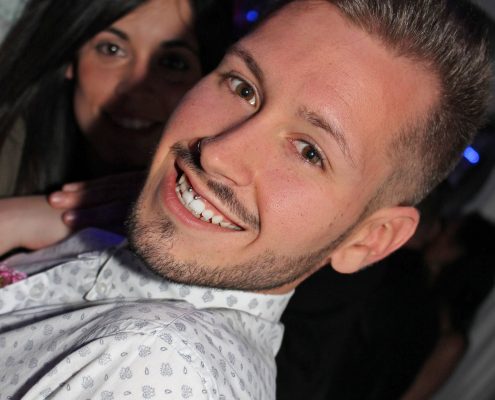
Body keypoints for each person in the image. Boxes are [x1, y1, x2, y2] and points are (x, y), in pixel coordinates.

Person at [0, 0, 491, 398]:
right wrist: (29, 220)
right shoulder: (123, 237)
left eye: (309, 151)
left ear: (368, 240)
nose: (218, 153)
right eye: (244, 87)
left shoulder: (158, 365)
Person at [0, 0, 232, 256]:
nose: (136, 89)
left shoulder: (224, 202)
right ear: (71, 59)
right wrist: (14, 219)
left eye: (172, 62)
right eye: (111, 49)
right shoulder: (11, 140)